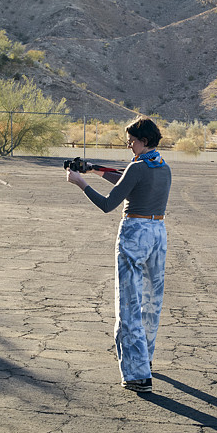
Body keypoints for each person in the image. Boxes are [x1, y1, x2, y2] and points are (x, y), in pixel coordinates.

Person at [66, 116, 172, 393]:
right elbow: (128, 179)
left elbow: (108, 203)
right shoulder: (161, 166)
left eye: (132, 141)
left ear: (143, 141)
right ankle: (145, 359)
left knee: (129, 303)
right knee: (150, 301)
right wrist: (95, 170)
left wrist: (80, 182)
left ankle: (137, 375)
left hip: (135, 233)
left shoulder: (137, 168)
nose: (129, 145)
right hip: (158, 232)